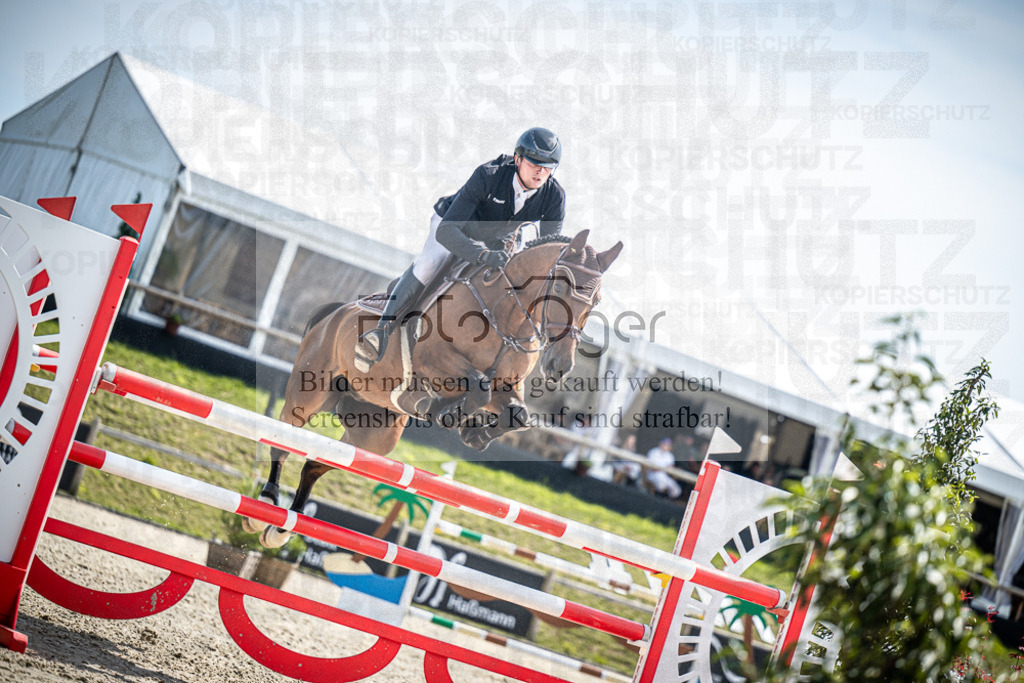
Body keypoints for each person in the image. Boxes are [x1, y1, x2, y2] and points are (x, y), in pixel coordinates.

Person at [355, 127, 566, 371]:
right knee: (429, 264)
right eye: (534, 164)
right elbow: (446, 231)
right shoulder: (489, 174)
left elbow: (546, 254)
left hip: (497, 241)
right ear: (518, 159)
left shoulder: (554, 196)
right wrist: (482, 255)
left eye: (548, 167)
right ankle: (380, 332)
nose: (541, 172)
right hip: (453, 226)